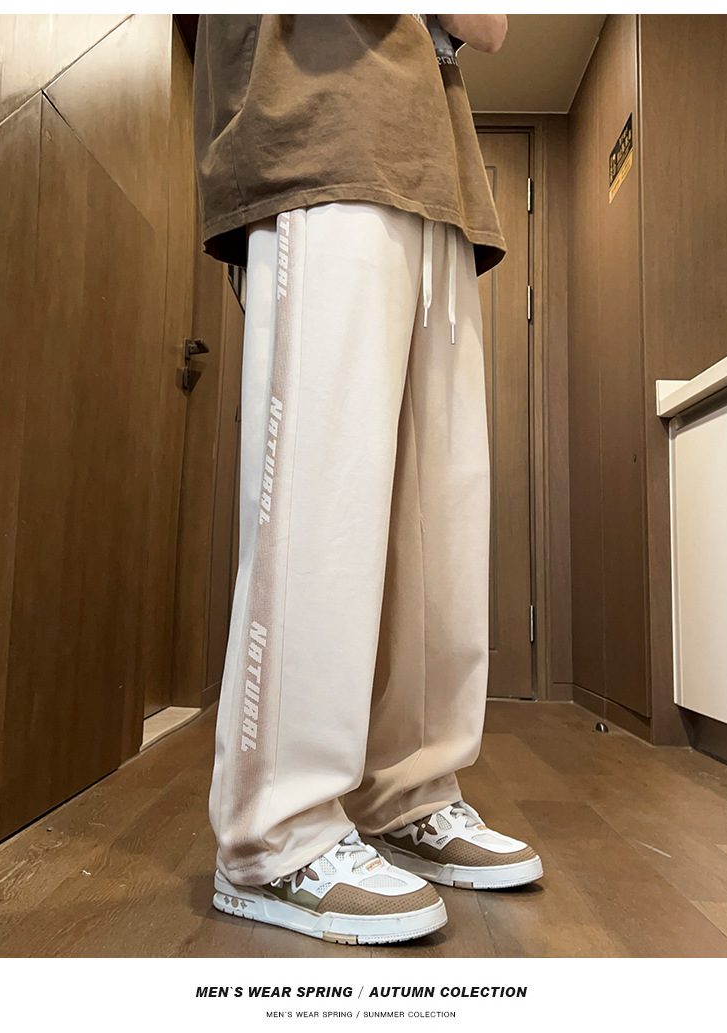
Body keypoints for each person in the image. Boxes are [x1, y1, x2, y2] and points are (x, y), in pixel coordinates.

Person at [192, 13, 542, 947]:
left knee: (438, 517)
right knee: (327, 501)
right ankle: (275, 831)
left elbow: (489, 24)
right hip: (321, 125)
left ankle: (407, 790)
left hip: (434, 167)